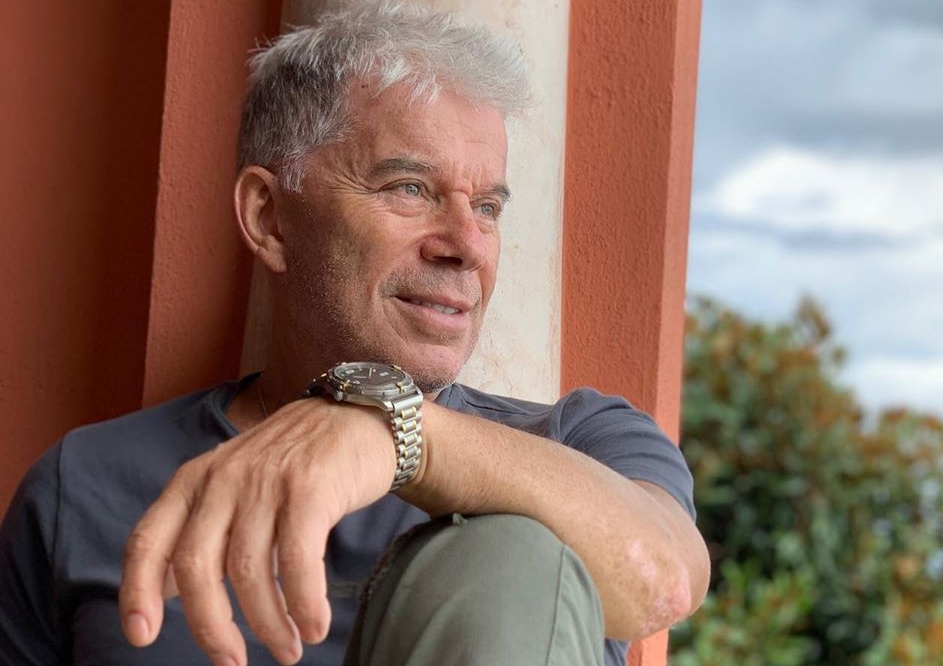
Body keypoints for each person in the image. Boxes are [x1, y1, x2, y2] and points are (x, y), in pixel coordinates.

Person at [0, 3, 709, 665]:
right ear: (269, 218)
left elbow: (665, 581)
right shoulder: (85, 483)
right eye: (409, 188)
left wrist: (391, 432)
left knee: (505, 555)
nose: (467, 245)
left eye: (487, 207)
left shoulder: (583, 441)